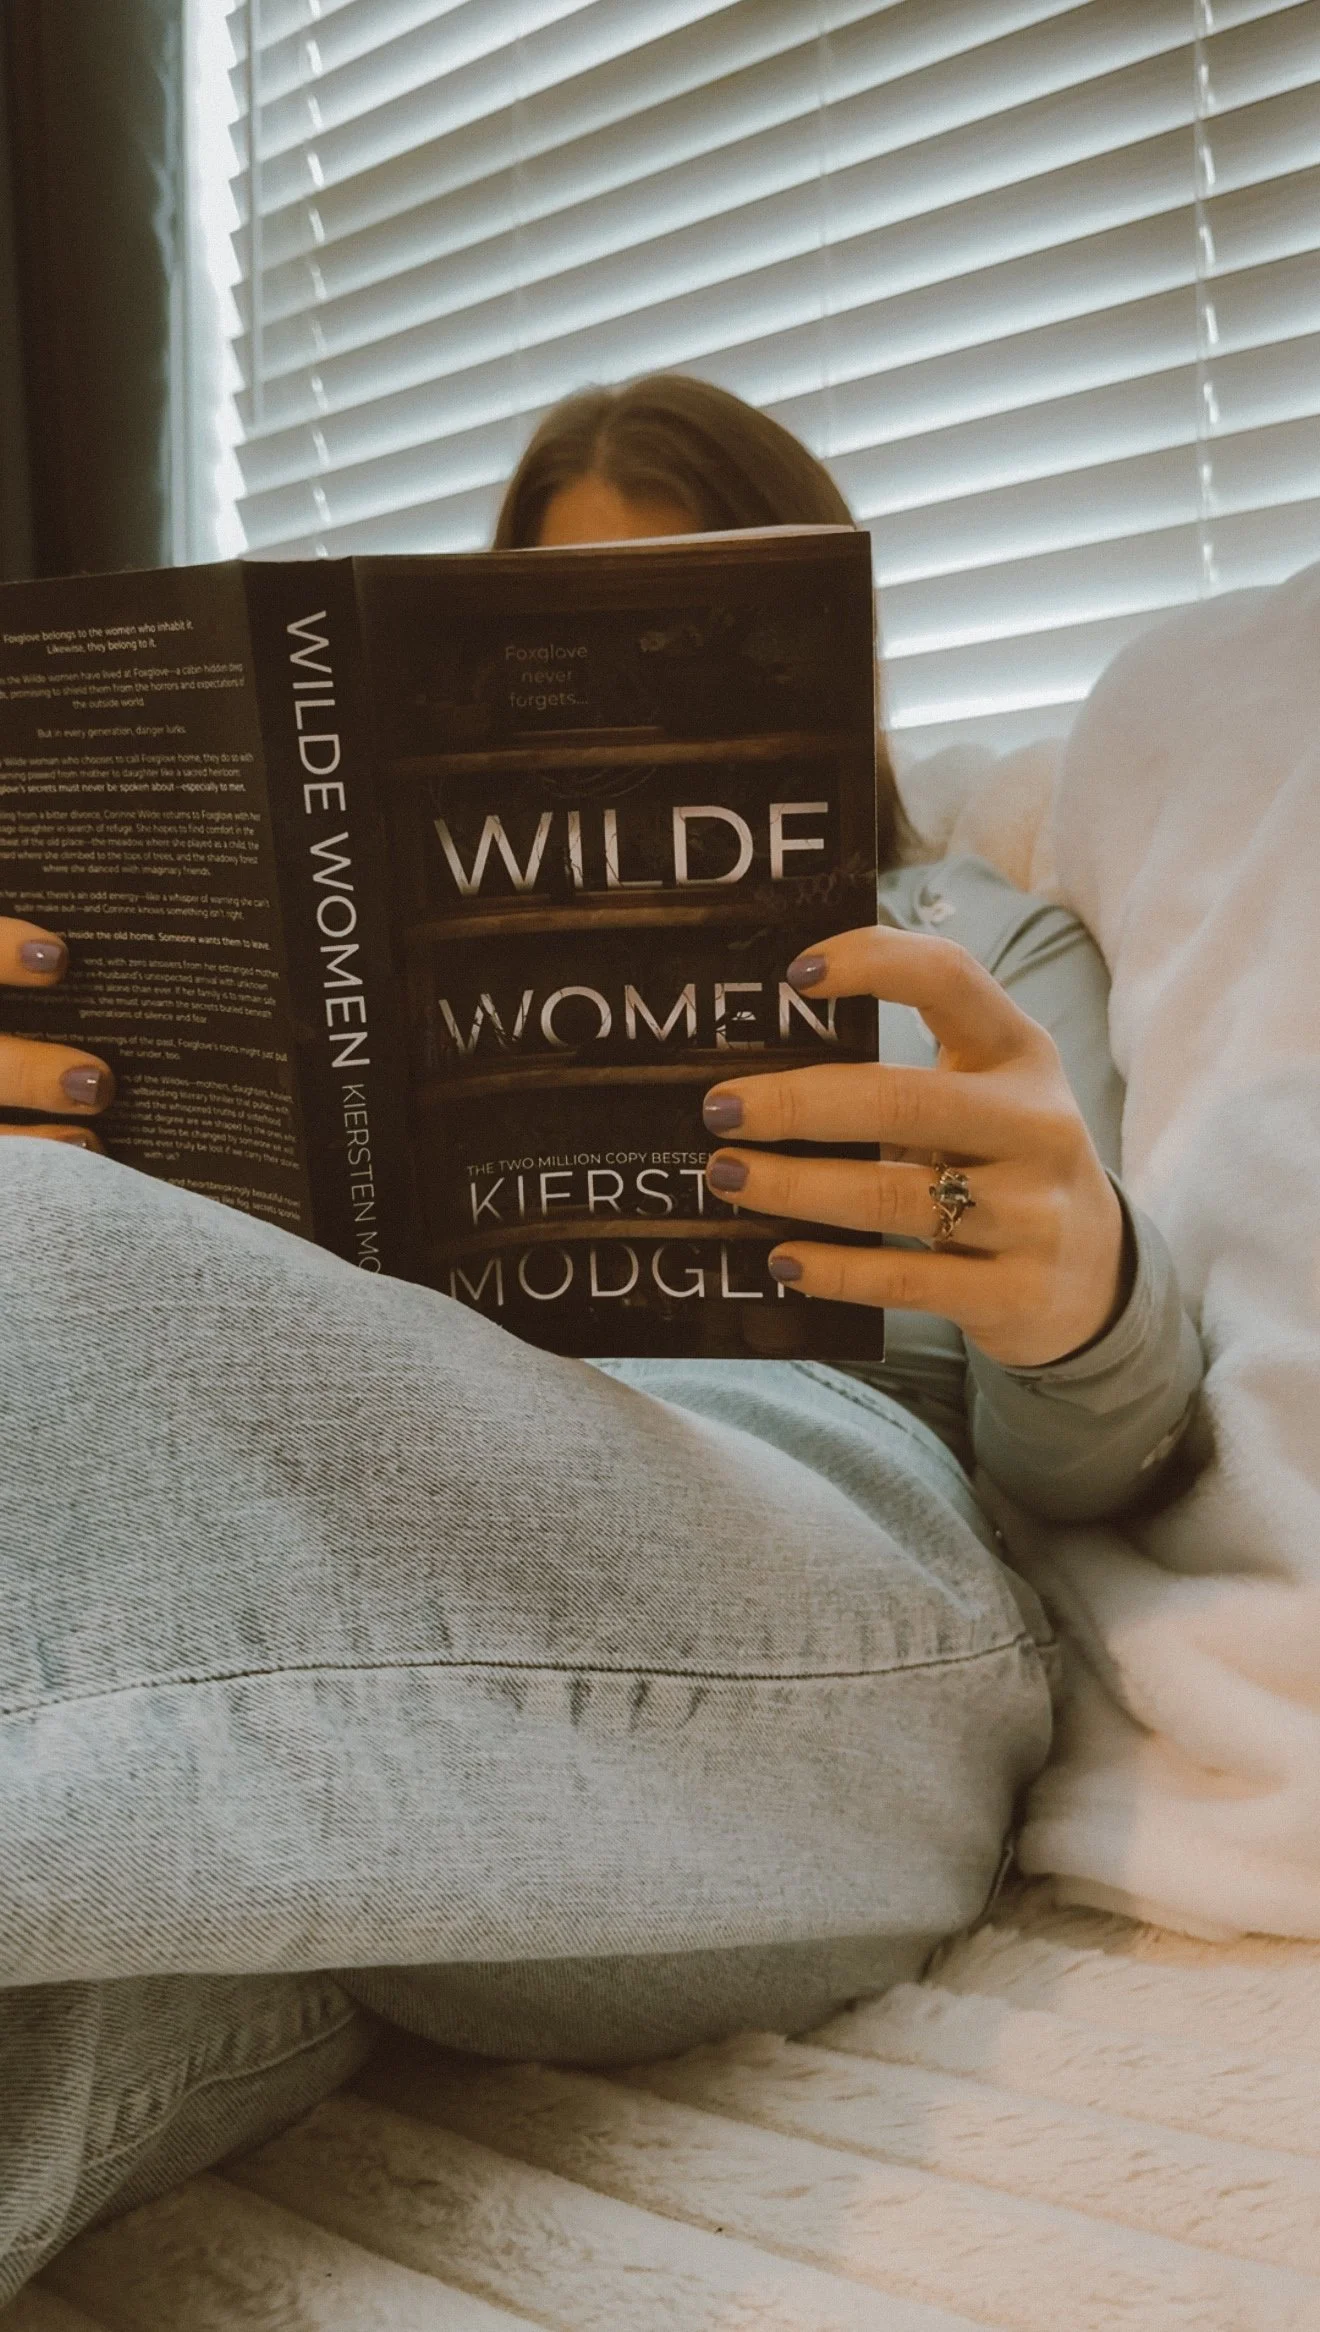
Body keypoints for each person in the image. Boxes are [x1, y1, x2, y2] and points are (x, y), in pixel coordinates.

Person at [0, 374, 1203, 2302]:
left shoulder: (973, 938)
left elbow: (1088, 1464)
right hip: (363, 1718)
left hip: (828, 1581)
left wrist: (1082, 1297)